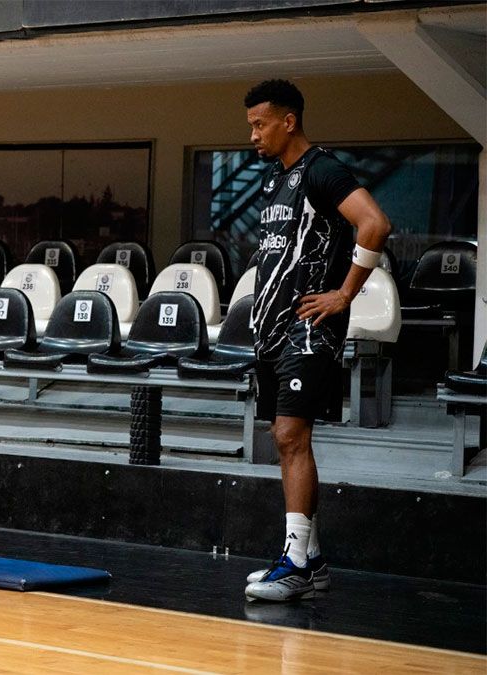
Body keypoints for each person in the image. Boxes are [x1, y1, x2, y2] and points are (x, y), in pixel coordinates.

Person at [241, 80, 391, 601]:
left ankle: (297, 565)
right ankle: (312, 560)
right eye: (250, 126)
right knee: (285, 439)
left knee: (290, 436)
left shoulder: (322, 170)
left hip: (308, 330)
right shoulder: (274, 180)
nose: (253, 135)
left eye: (260, 124)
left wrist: (344, 294)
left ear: (289, 121)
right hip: (273, 330)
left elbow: (375, 224)